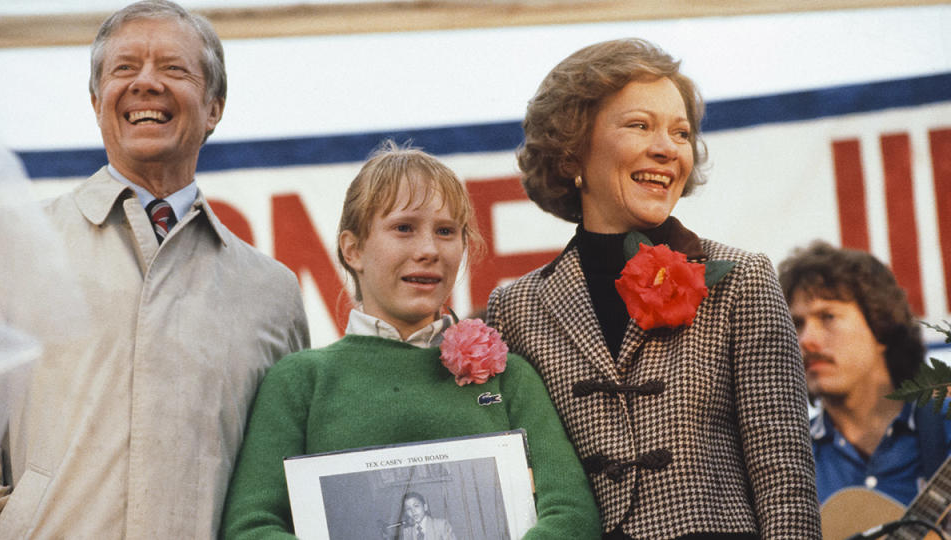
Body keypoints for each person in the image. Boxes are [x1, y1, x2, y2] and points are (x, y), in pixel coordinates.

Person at [0, 1, 310, 538]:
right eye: (124, 68)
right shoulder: (14, 250)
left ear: (214, 107)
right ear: (96, 102)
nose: (146, 83)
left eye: (173, 68)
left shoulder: (272, 291)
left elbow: (285, 473)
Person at [486, 38, 821, 538]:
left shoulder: (743, 279)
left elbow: (786, 481)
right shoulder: (515, 309)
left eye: (681, 133)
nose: (667, 149)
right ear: (572, 152)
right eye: (640, 125)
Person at [221, 143, 600, 539]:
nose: (428, 250)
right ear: (353, 249)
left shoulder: (508, 376)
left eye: (446, 231)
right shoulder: (300, 382)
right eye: (404, 228)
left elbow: (570, 513)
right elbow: (251, 526)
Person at [778, 241, 949, 507]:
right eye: (796, 325)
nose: (806, 339)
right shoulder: (784, 464)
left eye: (827, 317)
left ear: (880, 327)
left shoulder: (945, 424)